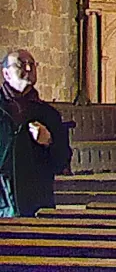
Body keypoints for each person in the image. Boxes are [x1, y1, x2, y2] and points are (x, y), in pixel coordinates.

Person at [0, 48, 71, 217]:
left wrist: (49, 141)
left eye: (32, 64)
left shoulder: (49, 114)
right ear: (6, 73)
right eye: (21, 64)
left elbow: (62, 162)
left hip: (37, 204)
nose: (28, 69)